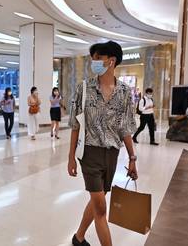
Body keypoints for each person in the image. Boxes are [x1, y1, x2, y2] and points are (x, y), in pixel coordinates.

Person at [68, 41, 138, 246]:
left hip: (112, 154)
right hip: (89, 153)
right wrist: (71, 157)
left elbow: (125, 127)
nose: (94, 62)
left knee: (97, 200)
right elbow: (75, 125)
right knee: (101, 208)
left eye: (98, 58)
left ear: (111, 61)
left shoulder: (124, 92)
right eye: (93, 59)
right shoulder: (84, 88)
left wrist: (133, 157)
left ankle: (78, 237)